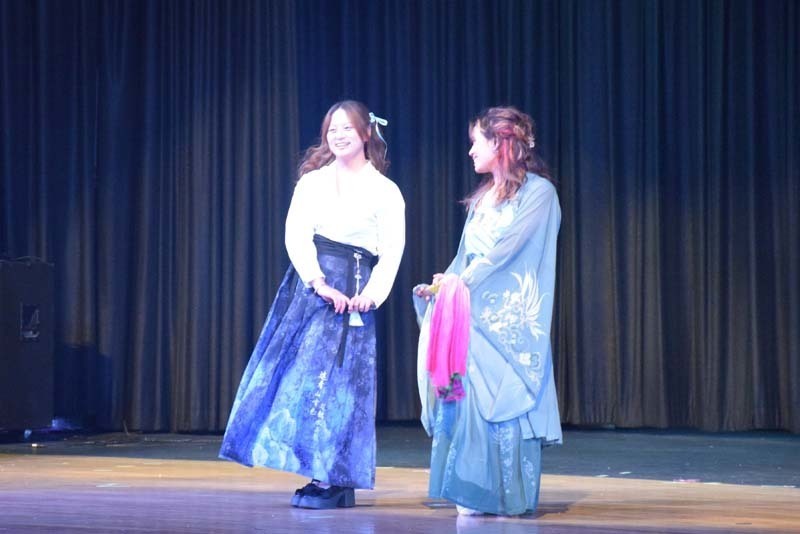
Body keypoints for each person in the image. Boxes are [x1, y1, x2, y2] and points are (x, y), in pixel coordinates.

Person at [220, 100, 405, 510]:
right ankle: (318, 472)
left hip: (355, 294)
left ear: (365, 134)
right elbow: (296, 235)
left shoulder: (385, 191)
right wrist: (318, 282)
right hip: (312, 290)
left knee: (342, 387)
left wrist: (370, 296)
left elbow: (391, 250)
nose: (338, 135)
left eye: (347, 128)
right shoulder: (312, 182)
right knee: (301, 382)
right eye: (331, 128)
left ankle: (336, 477)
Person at [413, 106, 562, 517]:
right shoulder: (482, 198)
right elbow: (467, 257)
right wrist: (445, 282)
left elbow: (508, 250)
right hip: (471, 315)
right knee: (469, 402)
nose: (470, 152)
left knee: (507, 402)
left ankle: (506, 494)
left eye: (476, 142)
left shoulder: (539, 194)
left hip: (509, 321)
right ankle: (472, 488)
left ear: (501, 144)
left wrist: (462, 281)